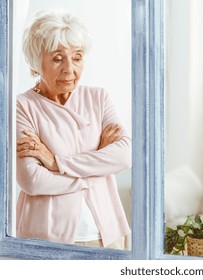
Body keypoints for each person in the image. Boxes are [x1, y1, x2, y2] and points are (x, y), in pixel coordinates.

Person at [15, 10, 131, 249]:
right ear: (37, 61)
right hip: (47, 236)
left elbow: (124, 156)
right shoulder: (22, 106)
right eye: (58, 59)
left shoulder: (98, 98)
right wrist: (97, 165)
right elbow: (33, 180)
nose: (69, 69)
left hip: (107, 232)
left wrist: (56, 163)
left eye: (77, 58)